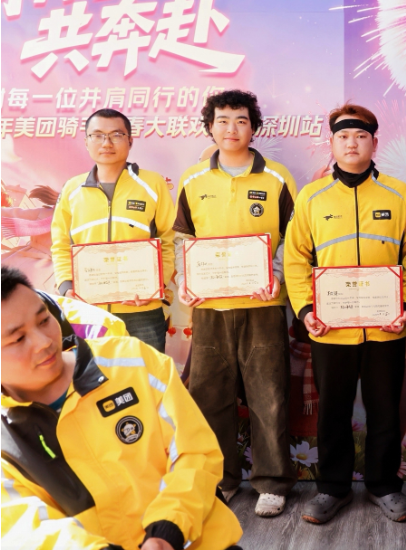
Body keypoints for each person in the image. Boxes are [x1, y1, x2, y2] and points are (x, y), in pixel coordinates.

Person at [0, 266, 243, 549]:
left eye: (44, 320)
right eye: (18, 339)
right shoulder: (6, 441)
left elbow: (195, 451)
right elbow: (26, 529)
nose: (44, 342)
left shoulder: (133, 360)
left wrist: (168, 529)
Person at [284, 102, 406, 524]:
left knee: (385, 409)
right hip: (330, 329)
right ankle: (333, 488)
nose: (352, 143)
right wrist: (306, 309)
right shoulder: (312, 196)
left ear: (374, 143)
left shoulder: (400, 195)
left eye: (361, 136)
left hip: (386, 327)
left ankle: (384, 485)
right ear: (332, 143)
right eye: (343, 136)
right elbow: (295, 259)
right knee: (333, 412)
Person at [173, 90, 297, 517]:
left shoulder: (277, 177)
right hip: (209, 308)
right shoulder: (193, 179)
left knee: (269, 396)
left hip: (263, 306)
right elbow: (182, 239)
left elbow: (293, 236)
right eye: (222, 120)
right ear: (210, 127)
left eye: (241, 120)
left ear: (253, 127)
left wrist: (276, 275)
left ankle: (272, 483)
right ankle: (220, 480)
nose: (231, 129)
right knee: (209, 397)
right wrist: (186, 279)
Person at [50, 108, 175, 352]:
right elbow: (61, 243)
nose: (106, 143)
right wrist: (66, 286)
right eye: (97, 135)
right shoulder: (72, 189)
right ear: (86, 142)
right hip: (88, 308)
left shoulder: (153, 184)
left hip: (142, 308)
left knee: (147, 373)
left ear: (130, 141)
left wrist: (155, 285)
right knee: (94, 373)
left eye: (116, 135)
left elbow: (169, 239)